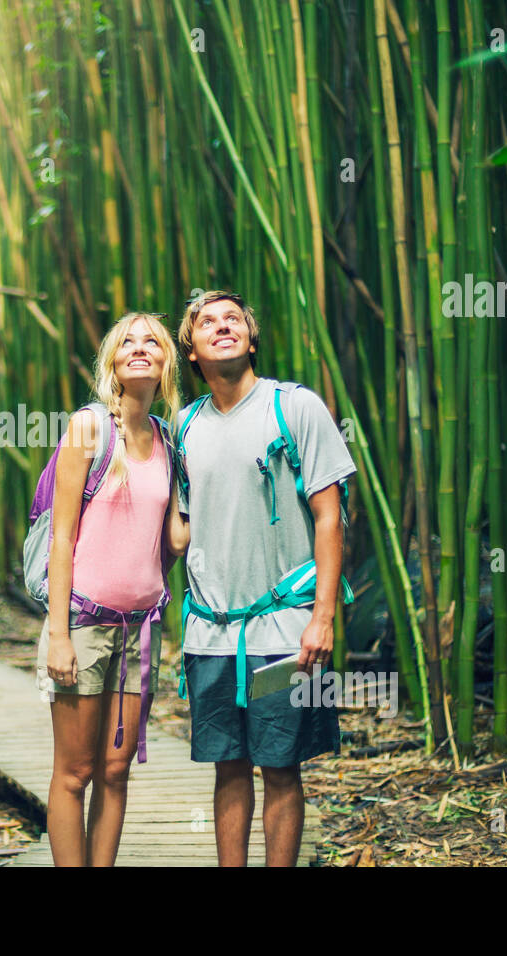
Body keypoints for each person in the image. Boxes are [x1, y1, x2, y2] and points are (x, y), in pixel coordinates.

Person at [172, 290, 355, 867]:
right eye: (206, 322)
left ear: (251, 340)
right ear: (192, 351)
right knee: (227, 767)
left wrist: (322, 616)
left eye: (234, 320)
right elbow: (178, 530)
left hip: (284, 628)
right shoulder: (182, 426)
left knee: (280, 766)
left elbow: (331, 516)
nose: (221, 326)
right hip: (211, 630)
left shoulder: (294, 407)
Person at [36, 312, 185, 866]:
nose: (141, 347)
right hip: (85, 623)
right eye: (129, 341)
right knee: (74, 773)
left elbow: (173, 538)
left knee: (116, 770)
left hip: (141, 630)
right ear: (113, 361)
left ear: (167, 362)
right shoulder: (88, 428)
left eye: (153, 341)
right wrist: (58, 636)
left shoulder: (168, 440)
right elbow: (62, 536)